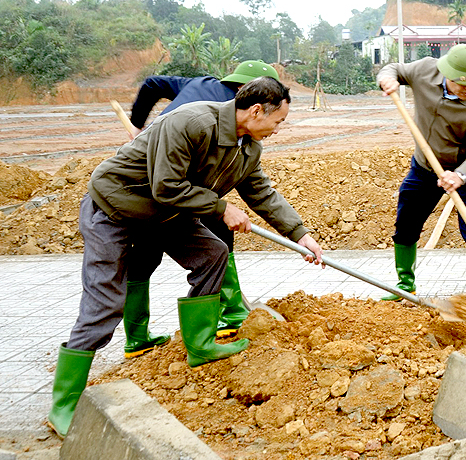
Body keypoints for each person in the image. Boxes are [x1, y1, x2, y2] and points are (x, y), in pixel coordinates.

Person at [48, 77, 325, 437]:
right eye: (278, 121)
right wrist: (221, 208)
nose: (278, 129)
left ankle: (201, 344)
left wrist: (301, 235)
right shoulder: (191, 122)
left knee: (213, 253)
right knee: (104, 303)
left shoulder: (248, 147)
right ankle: (63, 403)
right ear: (257, 111)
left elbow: (261, 193)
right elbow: (166, 185)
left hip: (165, 212)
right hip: (115, 206)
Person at [122, 60, 281, 354]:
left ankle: (136, 337)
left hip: (147, 185)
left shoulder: (197, 83)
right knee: (217, 235)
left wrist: (137, 124)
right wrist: (221, 208)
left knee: (144, 253)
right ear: (254, 96)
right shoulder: (225, 114)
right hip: (172, 182)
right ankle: (231, 311)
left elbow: (152, 83)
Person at [377, 44, 466, 298]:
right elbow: (394, 69)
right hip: (424, 169)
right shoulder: (424, 71)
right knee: (406, 223)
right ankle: (405, 285)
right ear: (446, 73)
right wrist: (387, 79)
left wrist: (460, 176)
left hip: (463, 174)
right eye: (462, 83)